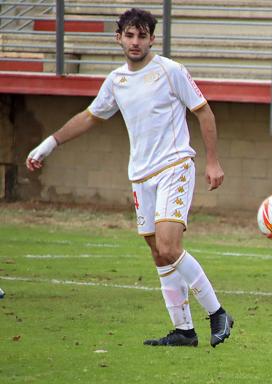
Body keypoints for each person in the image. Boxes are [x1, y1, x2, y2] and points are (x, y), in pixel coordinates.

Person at [25, 8, 233, 348]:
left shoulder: (170, 71)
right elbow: (90, 117)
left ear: (152, 38)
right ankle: (183, 331)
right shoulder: (116, 81)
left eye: (142, 35)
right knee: (157, 253)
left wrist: (213, 162)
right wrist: (50, 143)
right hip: (140, 176)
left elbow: (203, 111)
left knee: (169, 245)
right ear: (118, 37)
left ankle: (217, 312)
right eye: (129, 35)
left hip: (174, 166)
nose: (135, 42)